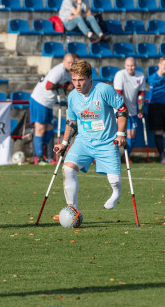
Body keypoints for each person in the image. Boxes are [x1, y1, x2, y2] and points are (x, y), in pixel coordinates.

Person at [53, 59, 128, 217]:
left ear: (90, 78)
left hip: (107, 142)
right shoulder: (73, 96)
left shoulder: (103, 90)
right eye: (74, 80)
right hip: (84, 142)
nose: (77, 84)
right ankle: (72, 210)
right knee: (67, 169)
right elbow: (72, 122)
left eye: (81, 80)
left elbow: (121, 109)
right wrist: (64, 143)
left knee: (114, 180)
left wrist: (120, 134)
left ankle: (116, 194)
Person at [30, 53, 78, 165]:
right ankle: (39, 157)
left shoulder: (67, 72)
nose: (71, 65)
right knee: (40, 128)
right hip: (40, 100)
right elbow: (48, 86)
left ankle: (47, 155)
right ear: (63, 61)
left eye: (72, 63)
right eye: (69, 62)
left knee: (49, 128)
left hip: (48, 103)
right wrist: (63, 86)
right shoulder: (58, 71)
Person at [113, 57, 146, 159]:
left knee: (131, 135)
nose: (130, 68)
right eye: (128, 66)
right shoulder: (120, 75)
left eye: (132, 66)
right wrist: (122, 110)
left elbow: (141, 95)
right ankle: (113, 156)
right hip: (119, 110)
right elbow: (119, 95)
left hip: (132, 110)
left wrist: (140, 109)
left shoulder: (140, 76)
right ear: (124, 66)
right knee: (116, 135)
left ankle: (125, 157)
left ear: (135, 66)